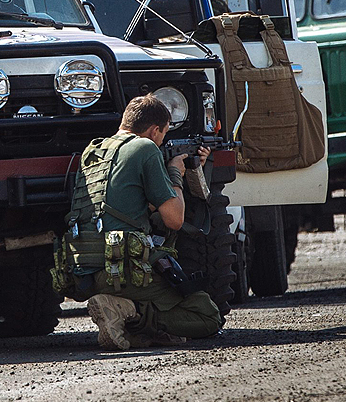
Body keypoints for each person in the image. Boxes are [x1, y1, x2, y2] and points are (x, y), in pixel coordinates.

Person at [55, 95, 222, 350]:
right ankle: (128, 311)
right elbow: (175, 219)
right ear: (155, 130)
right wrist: (176, 170)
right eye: (164, 134)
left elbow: (132, 203)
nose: (162, 140)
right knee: (207, 316)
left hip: (84, 271)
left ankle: (133, 326)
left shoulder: (95, 150)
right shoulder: (146, 148)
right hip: (122, 271)